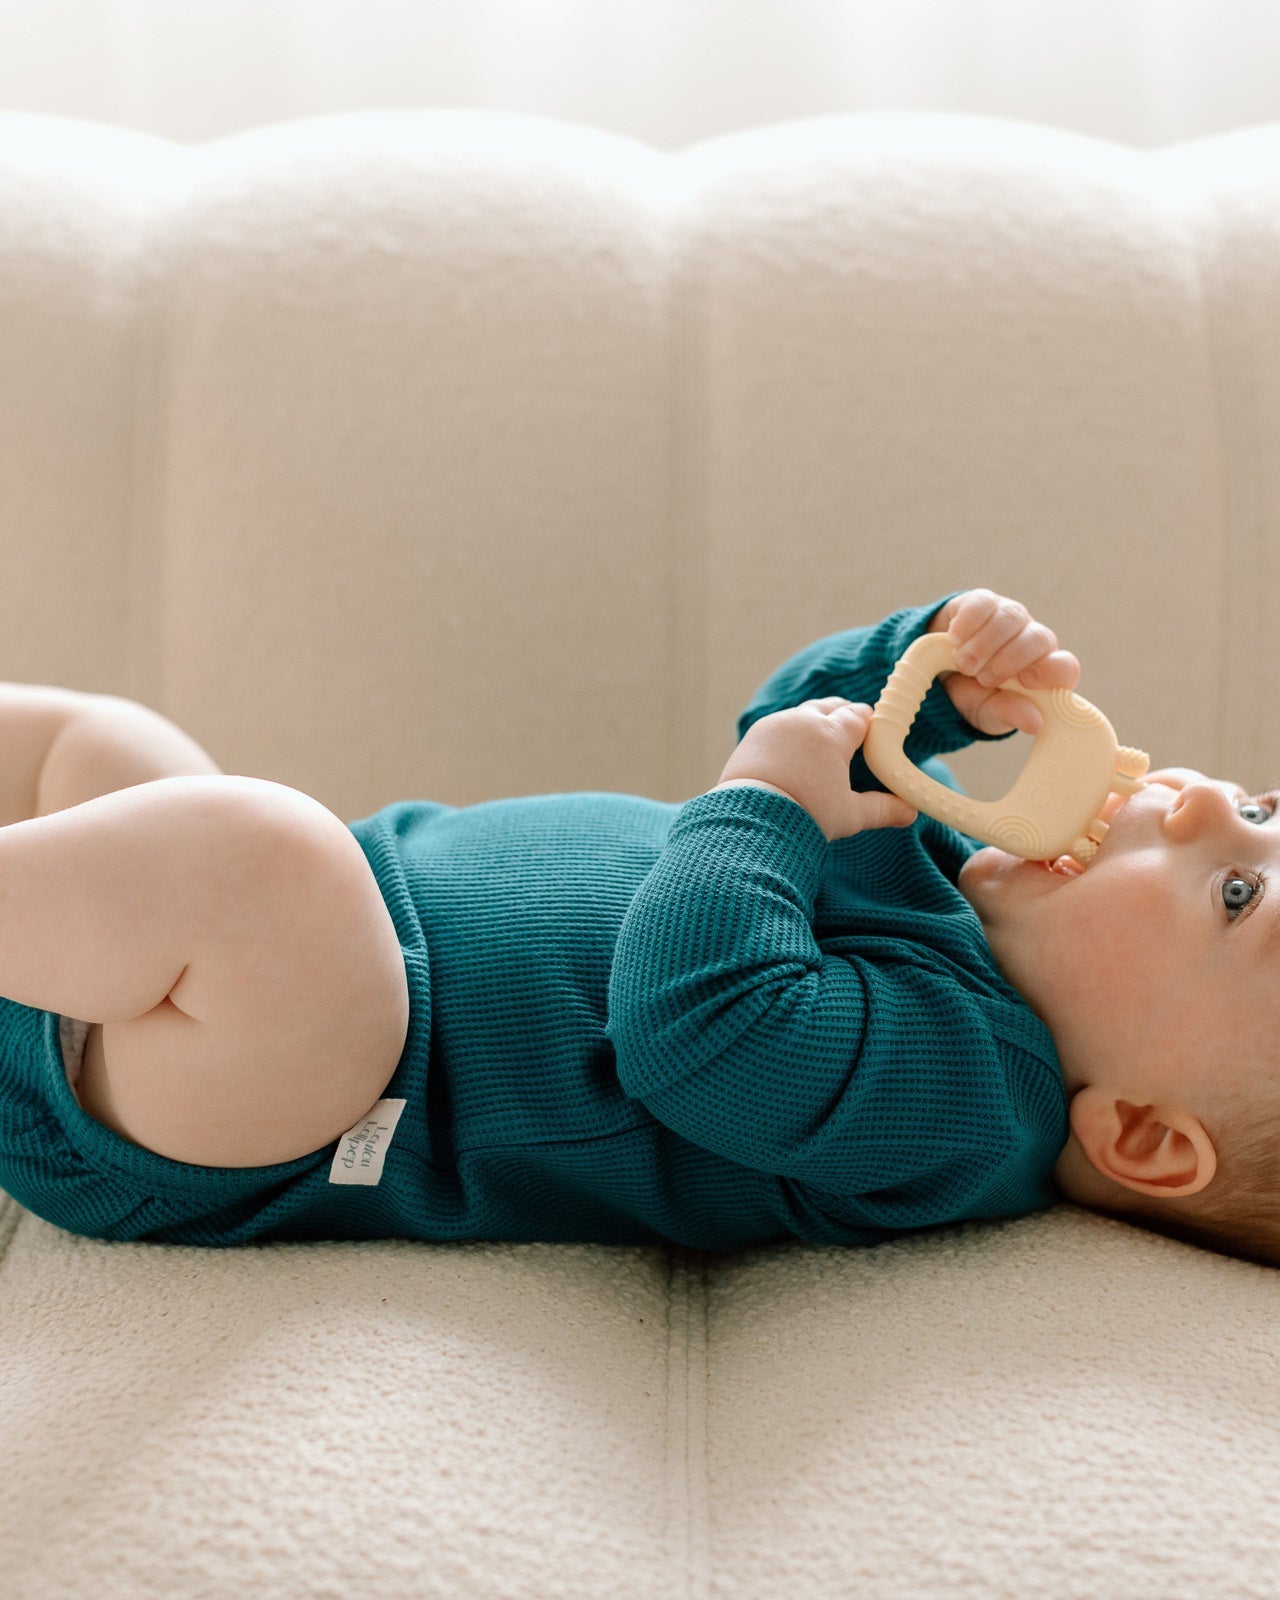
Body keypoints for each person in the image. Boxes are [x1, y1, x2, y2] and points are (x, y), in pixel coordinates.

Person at [0, 589, 1272, 1266]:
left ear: (1143, 1136)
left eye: (1235, 894)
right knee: (114, 748)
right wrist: (923, 672)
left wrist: (774, 801)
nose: (1209, 797)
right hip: (195, 995)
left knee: (258, 861)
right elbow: (782, 724)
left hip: (289, 1107)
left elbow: (702, 1027)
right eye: (1263, 809)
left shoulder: (971, 1095)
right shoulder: (939, 862)